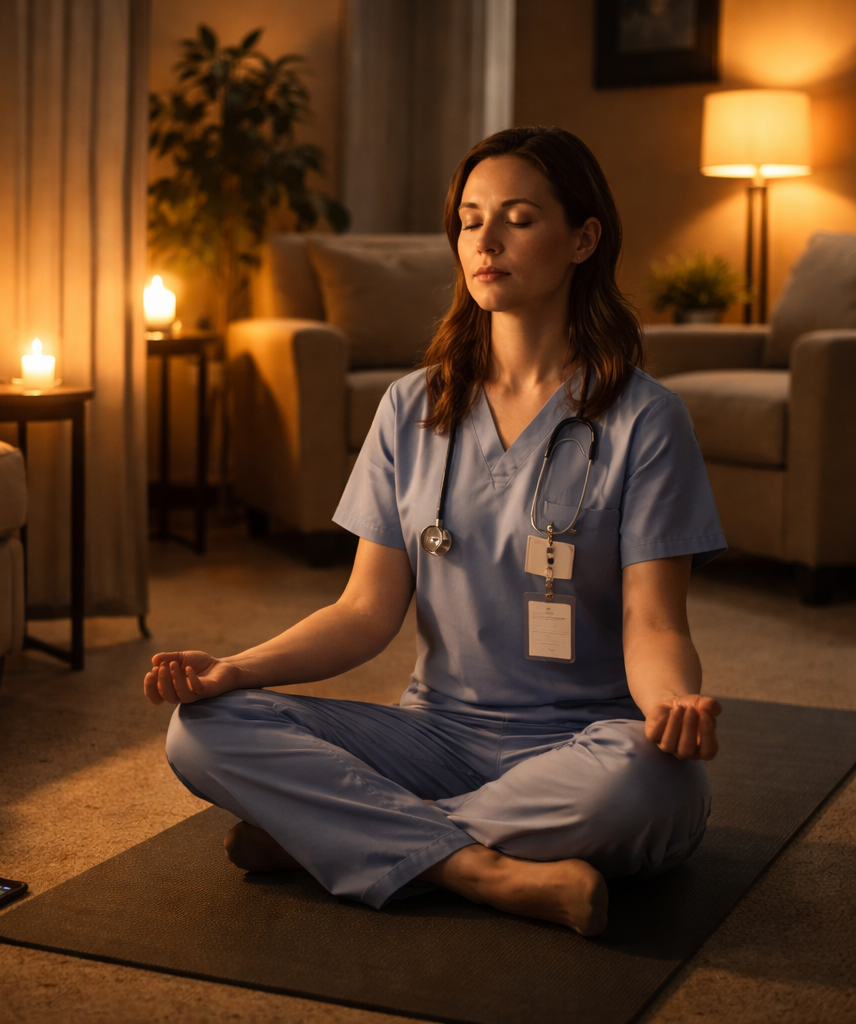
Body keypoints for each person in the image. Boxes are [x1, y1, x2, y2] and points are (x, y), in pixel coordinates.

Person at [144, 126, 725, 937]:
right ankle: (480, 870)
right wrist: (234, 667)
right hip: (434, 733)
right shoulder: (410, 407)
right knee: (204, 728)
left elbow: (654, 621)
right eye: (469, 219)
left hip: (584, 744)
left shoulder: (648, 420)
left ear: (583, 239)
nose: (484, 241)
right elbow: (361, 614)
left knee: (654, 786)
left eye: (518, 218)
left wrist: (672, 707)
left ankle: (338, 835)